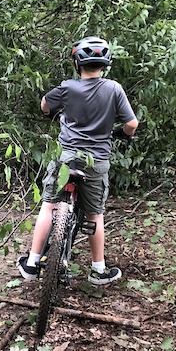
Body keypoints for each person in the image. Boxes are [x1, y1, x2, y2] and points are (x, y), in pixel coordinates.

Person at [18, 36, 138, 285]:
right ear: (105, 64)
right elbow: (131, 124)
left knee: (49, 206)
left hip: (65, 156)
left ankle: (31, 264)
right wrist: (121, 133)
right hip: (96, 159)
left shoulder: (68, 87)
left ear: (77, 64)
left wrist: (51, 110)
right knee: (95, 214)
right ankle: (98, 270)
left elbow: (44, 105)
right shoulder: (114, 88)